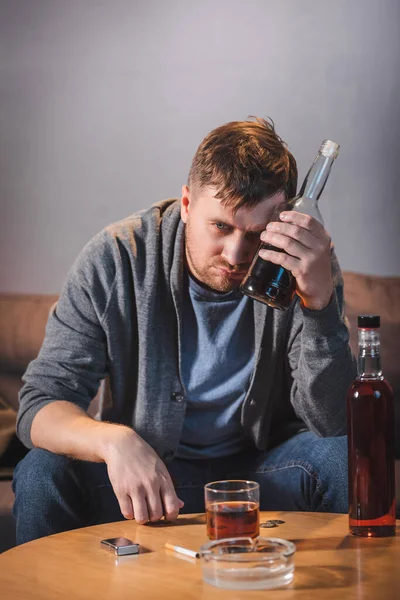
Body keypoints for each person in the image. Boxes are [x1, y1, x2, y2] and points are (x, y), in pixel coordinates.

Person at [12, 117, 357, 544]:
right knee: (41, 472)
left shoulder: (304, 262)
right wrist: (114, 441)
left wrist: (319, 307)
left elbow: (336, 423)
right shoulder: (116, 256)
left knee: (345, 458)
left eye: (255, 234)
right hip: (145, 478)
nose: (236, 254)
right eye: (221, 227)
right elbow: (39, 406)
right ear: (188, 203)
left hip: (263, 473)